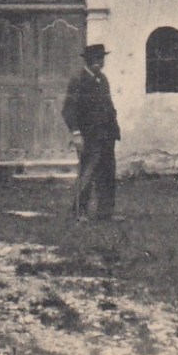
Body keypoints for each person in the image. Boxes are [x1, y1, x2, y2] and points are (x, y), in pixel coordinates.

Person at [62, 43, 121, 221]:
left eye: (101, 59)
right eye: (94, 59)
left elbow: (109, 106)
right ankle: (79, 211)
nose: (98, 63)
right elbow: (68, 109)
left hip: (107, 134)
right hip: (89, 136)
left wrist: (114, 127)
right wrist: (76, 133)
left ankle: (105, 212)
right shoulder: (79, 79)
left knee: (108, 173)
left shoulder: (102, 79)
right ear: (87, 61)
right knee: (88, 173)